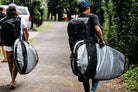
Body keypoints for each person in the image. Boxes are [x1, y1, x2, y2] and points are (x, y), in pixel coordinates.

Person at [77, 0, 105, 92]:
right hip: (92, 48)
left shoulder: (77, 19)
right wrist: (102, 40)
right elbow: (97, 29)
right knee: (96, 69)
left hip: (80, 49)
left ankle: (87, 91)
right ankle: (93, 90)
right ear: (88, 8)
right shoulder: (93, 17)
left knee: (84, 71)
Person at [0, 3, 29, 89]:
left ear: (7, 11)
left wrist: (1, 42)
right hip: (18, 44)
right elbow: (26, 32)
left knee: (9, 63)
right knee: (15, 62)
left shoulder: (2, 21)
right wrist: (27, 40)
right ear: (16, 11)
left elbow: (0, 34)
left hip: (7, 44)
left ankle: (12, 79)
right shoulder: (20, 20)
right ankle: (13, 81)